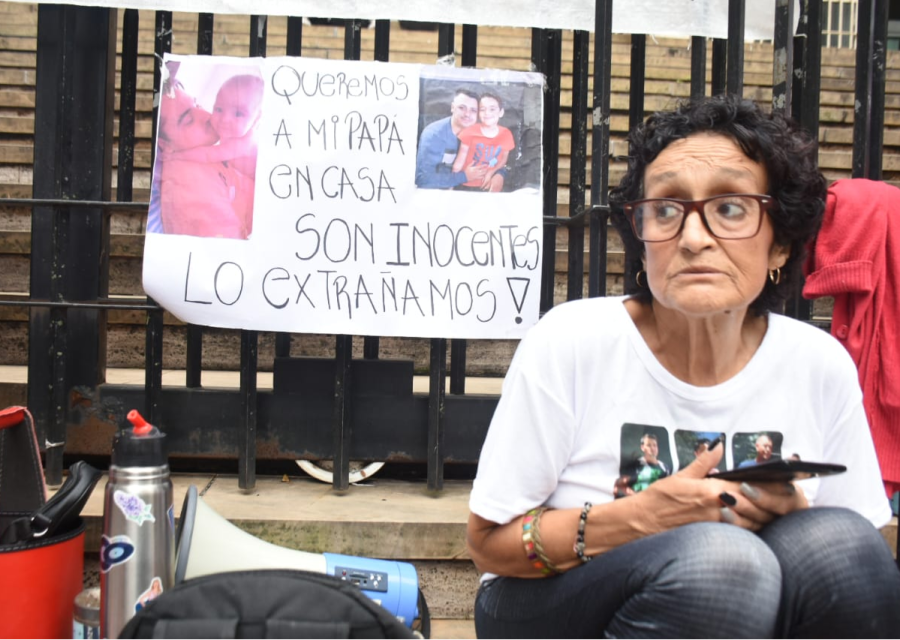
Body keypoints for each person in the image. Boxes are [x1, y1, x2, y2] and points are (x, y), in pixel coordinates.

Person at [467, 94, 900, 638]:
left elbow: (852, 563)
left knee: (841, 548)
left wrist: (788, 517)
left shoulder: (818, 365)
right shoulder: (573, 341)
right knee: (722, 563)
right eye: (666, 210)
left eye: (731, 208)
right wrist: (641, 518)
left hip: (743, 605)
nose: (694, 238)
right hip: (551, 601)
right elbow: (487, 544)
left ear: (781, 245)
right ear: (642, 241)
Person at [153, 83, 254, 239]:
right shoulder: (188, 180)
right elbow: (228, 245)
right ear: (165, 144)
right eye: (188, 120)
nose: (206, 115)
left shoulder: (201, 156)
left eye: (197, 105)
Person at [161, 74, 264, 181]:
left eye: (238, 114)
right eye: (219, 109)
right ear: (164, 144)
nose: (224, 119)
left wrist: (179, 156)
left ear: (256, 119)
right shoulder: (181, 175)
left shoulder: (244, 143)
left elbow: (207, 154)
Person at [415, 89, 493, 190]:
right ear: (452, 108)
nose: (467, 114)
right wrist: (464, 176)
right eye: (462, 108)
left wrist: (498, 174)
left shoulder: (480, 133)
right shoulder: (434, 134)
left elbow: (495, 158)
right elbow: (423, 180)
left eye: (473, 110)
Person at [452, 93, 515, 192]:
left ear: (501, 112)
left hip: (488, 184)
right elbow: (458, 163)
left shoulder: (506, 134)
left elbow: (503, 159)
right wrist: (451, 186)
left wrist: (491, 172)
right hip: (466, 185)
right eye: (482, 109)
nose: (487, 113)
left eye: (492, 109)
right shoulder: (469, 132)